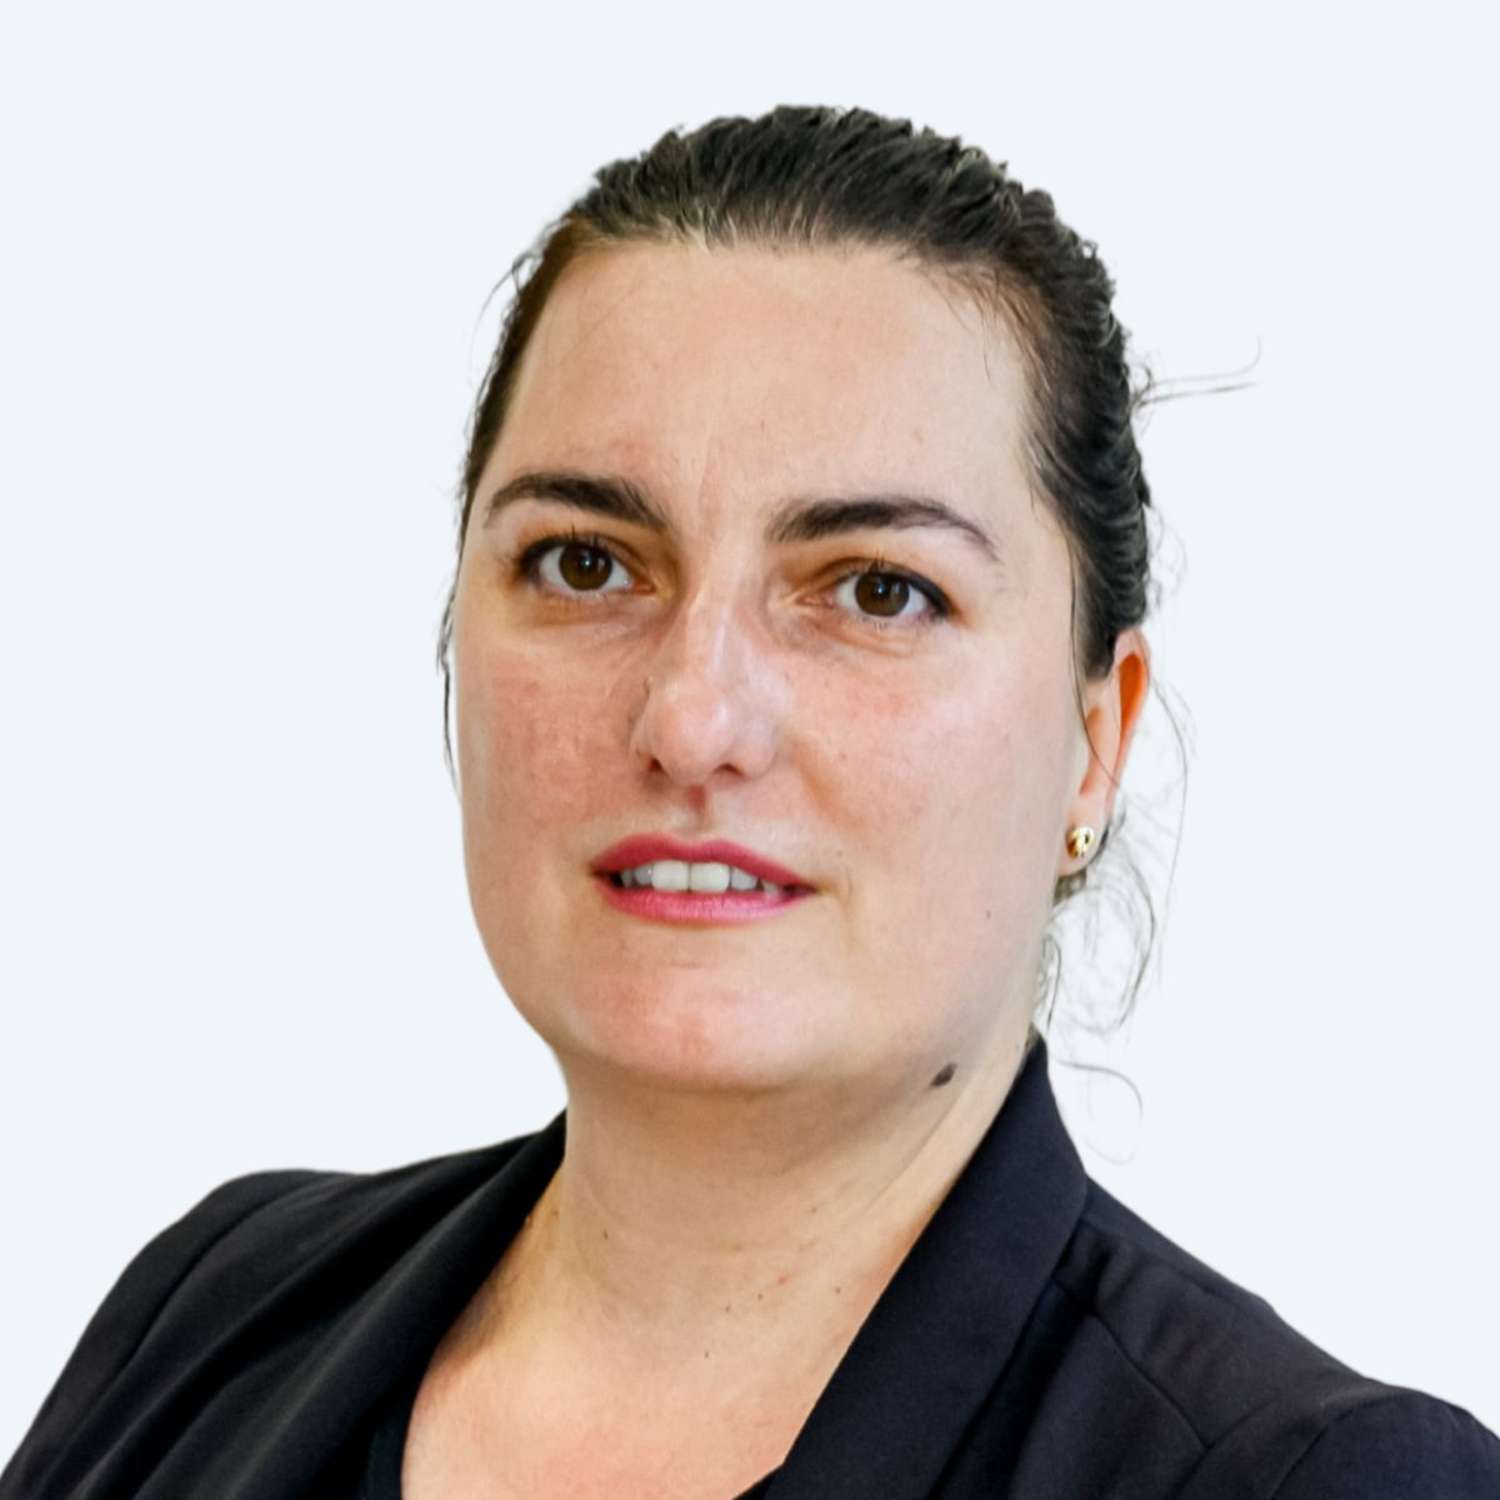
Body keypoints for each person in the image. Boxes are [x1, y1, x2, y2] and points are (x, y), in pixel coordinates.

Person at [4, 104, 1497, 1500]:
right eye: (587, 563)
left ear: (1093, 739)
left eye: (876, 590)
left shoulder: (1315, 1480)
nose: (691, 720)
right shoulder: (215, 1318)